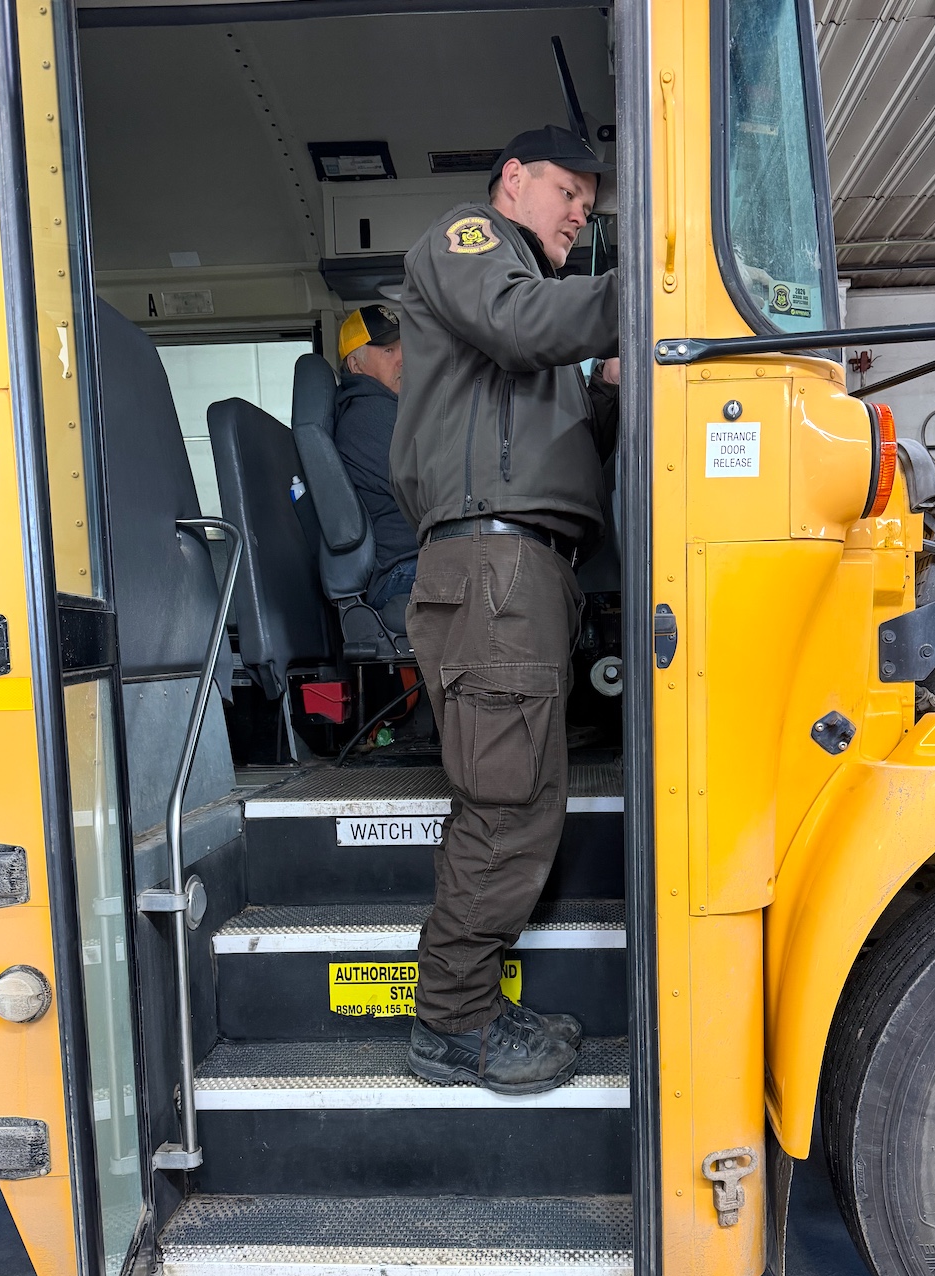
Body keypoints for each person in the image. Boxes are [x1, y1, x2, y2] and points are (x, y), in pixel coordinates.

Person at [389, 125, 620, 1095]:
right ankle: (451, 1024)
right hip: (493, 571)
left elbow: (553, 434)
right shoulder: (469, 245)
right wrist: (666, 281)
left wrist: (604, 392)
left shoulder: (533, 314)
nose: (579, 213)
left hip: (527, 573)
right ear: (513, 180)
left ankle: (474, 1004)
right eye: (568, 191)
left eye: (589, 205)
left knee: (523, 801)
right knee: (505, 806)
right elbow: (528, 329)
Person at [333, 303, 419, 609]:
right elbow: (428, 485)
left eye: (402, 348)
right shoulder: (368, 415)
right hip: (402, 572)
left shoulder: (389, 409)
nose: (402, 360)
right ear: (356, 366)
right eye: (387, 351)